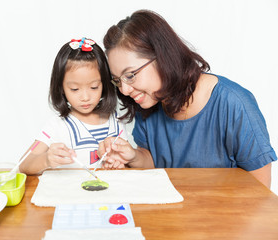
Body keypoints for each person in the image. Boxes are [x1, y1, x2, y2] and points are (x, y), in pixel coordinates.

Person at [98, 9, 277, 188]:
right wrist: (133, 156)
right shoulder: (147, 103)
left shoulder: (234, 103)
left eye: (130, 75)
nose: (125, 90)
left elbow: (260, 191)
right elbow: (155, 164)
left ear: (162, 57)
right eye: (117, 80)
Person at [19, 37, 127, 175]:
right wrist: (46, 160)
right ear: (61, 88)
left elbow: (128, 164)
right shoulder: (56, 126)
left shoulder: (116, 121)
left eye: (94, 87)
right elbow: (23, 164)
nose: (85, 97)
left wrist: (120, 165)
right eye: (75, 89)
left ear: (105, 84)